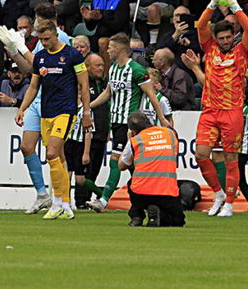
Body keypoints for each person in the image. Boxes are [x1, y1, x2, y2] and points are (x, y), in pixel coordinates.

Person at [0, 4, 72, 214]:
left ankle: (64, 198)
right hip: (38, 99)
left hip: (56, 102)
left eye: (37, 19)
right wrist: (14, 51)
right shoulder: (40, 40)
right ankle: (42, 194)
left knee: (57, 153)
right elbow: (30, 70)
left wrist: (22, 47)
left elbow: (44, 67)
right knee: (27, 147)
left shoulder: (62, 39)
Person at [15, 18, 92, 220]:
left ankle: (57, 202)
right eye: (42, 39)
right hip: (46, 112)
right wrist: (22, 108)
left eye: (48, 38)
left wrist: (86, 112)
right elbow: (33, 87)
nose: (45, 43)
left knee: (51, 153)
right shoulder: (40, 58)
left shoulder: (72, 55)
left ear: (56, 35)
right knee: (58, 158)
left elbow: (84, 85)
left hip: (65, 111)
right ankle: (65, 205)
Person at [86, 33, 169, 213]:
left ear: (118, 49)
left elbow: (151, 96)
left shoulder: (137, 70)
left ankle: (104, 200)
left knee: (116, 160)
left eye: (110, 48)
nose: (107, 51)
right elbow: (108, 93)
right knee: (134, 165)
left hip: (130, 124)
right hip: (116, 122)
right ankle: (148, 201)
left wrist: (162, 118)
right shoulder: (114, 68)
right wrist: (87, 107)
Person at [193, 0, 248, 218]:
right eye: (223, 38)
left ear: (233, 37)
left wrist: (235, 6)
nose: (226, 41)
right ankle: (218, 193)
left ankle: (229, 202)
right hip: (209, 110)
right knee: (200, 154)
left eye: (229, 37)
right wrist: (211, 4)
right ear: (216, 39)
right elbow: (200, 25)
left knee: (231, 158)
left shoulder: (242, 51)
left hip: (232, 111)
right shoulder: (210, 49)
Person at [118, 111, 185, 227]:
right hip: (166, 192)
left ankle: (137, 215)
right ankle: (158, 216)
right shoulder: (170, 134)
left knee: (132, 183)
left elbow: (121, 165)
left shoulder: (135, 140)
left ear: (133, 131)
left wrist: (129, 139)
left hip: (141, 194)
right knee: (177, 221)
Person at [74, 53, 110, 208]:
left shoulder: (103, 84)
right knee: (82, 170)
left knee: (94, 170)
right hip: (85, 135)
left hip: (101, 133)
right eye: (97, 65)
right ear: (87, 67)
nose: (101, 68)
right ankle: (80, 201)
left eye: (102, 65)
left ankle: (88, 200)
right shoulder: (82, 84)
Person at [81, 0, 130, 76]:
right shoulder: (96, 0)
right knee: (80, 43)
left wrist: (101, 18)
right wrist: (88, 19)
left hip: (118, 36)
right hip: (99, 35)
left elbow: (118, 25)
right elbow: (91, 28)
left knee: (103, 42)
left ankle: (106, 76)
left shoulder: (121, 0)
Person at [156, 5, 203, 81]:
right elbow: (159, 53)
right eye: (177, 15)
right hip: (168, 75)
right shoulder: (167, 35)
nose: (179, 18)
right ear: (173, 19)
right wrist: (175, 36)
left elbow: (202, 52)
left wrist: (190, 44)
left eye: (183, 16)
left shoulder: (197, 34)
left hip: (190, 75)